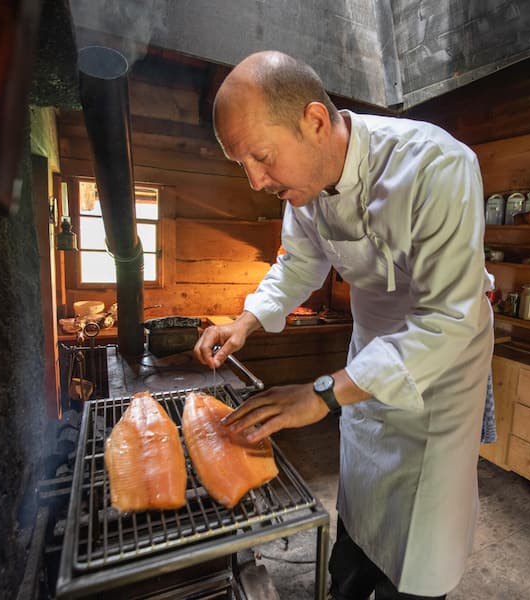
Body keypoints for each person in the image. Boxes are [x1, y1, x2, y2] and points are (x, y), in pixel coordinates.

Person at [193, 50, 494, 600]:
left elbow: (446, 318)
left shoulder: (436, 165)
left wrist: (322, 393)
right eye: (243, 165)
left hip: (438, 377)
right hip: (367, 355)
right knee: (361, 498)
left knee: (421, 536)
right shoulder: (302, 187)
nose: (256, 181)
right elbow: (298, 263)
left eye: (261, 157)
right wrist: (246, 322)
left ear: (314, 121)